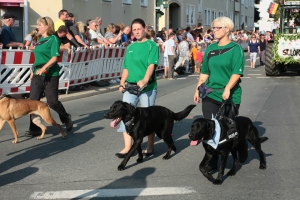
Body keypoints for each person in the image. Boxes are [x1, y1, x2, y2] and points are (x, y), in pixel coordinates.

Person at [193, 16, 245, 172]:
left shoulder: (236, 49)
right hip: (210, 94)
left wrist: (228, 88)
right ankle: (213, 160)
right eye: (213, 28)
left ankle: (241, 145)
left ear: (227, 29)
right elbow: (204, 72)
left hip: (230, 95)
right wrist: (197, 89)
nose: (213, 30)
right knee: (210, 127)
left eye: (217, 28)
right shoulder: (210, 48)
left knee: (228, 129)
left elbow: (237, 72)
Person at [116, 18, 158, 158]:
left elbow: (151, 65)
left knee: (148, 118)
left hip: (147, 87)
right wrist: (122, 83)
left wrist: (145, 80)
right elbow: (126, 67)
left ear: (144, 28)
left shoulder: (152, 46)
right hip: (130, 86)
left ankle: (150, 145)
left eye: (139, 29)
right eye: (134, 30)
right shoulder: (131, 47)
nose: (137, 32)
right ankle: (128, 147)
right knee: (125, 114)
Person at [25, 16, 73, 137]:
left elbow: (54, 58)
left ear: (47, 27)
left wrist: (44, 68)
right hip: (37, 73)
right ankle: (35, 128)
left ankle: (66, 117)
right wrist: (33, 70)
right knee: (33, 101)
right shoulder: (40, 40)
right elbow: (37, 58)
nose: (38, 27)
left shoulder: (53, 39)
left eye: (40, 25)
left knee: (52, 102)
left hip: (51, 74)